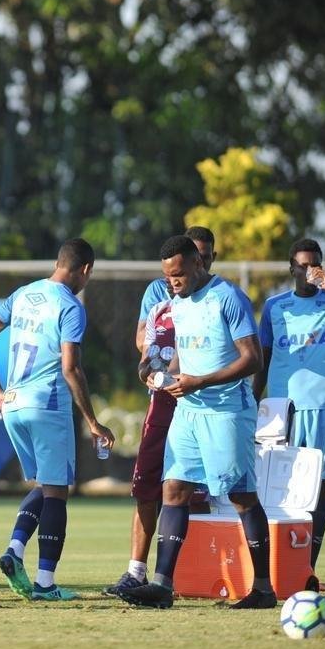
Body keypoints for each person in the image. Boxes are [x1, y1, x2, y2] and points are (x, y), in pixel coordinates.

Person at [118, 235, 271, 610]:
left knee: (241, 496)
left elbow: (252, 359)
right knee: (174, 491)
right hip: (188, 410)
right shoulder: (177, 304)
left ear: (198, 265)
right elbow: (181, 359)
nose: (174, 281)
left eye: (180, 274)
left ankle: (264, 589)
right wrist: (159, 373)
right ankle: (162, 585)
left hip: (226, 412)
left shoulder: (229, 298)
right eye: (169, 276)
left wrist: (201, 381)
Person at [0, 238, 114, 602]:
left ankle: (15, 550)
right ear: (85, 270)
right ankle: (46, 584)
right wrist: (93, 421)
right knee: (57, 493)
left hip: (13, 405)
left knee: (44, 485)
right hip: (46, 405)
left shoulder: (23, 294)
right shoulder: (70, 305)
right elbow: (70, 368)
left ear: (57, 262)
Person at [105, 227, 216, 596]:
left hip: (207, 404)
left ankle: (195, 572)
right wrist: (153, 366)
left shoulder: (221, 297)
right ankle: (137, 570)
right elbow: (145, 343)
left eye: (206, 257)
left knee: (205, 489)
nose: (198, 265)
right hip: (165, 400)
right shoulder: (159, 297)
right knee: (148, 484)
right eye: (193, 257)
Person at [254, 238, 325, 590]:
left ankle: (307, 570)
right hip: (281, 410)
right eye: (301, 265)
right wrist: (252, 404)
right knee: (277, 489)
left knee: (319, 490)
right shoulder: (274, 307)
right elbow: (263, 357)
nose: (308, 271)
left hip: (323, 406)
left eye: (314, 264)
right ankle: (277, 568)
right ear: (291, 268)